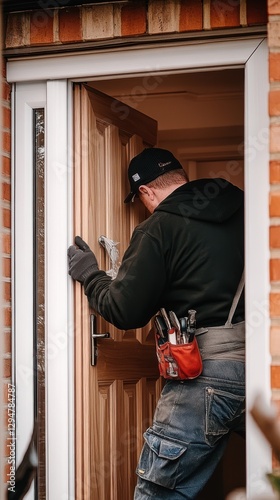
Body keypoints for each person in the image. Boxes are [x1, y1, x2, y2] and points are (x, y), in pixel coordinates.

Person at [68, 147, 245, 500]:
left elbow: (124, 310)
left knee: (158, 492)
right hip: (265, 366)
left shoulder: (159, 227)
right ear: (180, 177)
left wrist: (91, 275)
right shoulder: (247, 209)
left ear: (146, 192)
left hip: (206, 375)